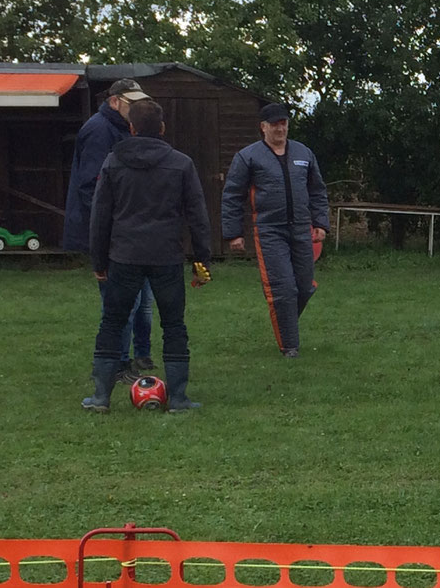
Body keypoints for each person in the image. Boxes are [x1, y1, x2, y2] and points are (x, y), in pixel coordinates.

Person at [81, 99, 211, 413]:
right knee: (174, 326)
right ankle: (178, 398)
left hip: (123, 256)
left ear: (131, 127)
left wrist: (99, 262)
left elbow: (101, 217)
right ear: (162, 129)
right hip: (166, 255)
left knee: (112, 324)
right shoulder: (181, 164)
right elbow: (197, 215)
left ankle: (100, 397)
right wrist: (201, 260)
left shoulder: (113, 162)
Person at [220, 103, 330, 358]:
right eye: (275, 124)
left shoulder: (304, 153)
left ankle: (285, 322)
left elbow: (317, 191)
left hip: (302, 229)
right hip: (269, 230)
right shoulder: (248, 156)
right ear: (263, 127)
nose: (280, 128)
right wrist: (233, 233)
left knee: (304, 287)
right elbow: (232, 195)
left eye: (284, 123)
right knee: (283, 290)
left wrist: (321, 223)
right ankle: (289, 347)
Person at [63, 78, 155, 383]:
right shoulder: (99, 130)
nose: (137, 108)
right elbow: (92, 186)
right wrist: (110, 229)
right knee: (118, 303)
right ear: (115, 101)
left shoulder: (118, 128)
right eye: (132, 103)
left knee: (140, 301)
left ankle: (134, 355)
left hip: (127, 232)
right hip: (111, 233)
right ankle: (114, 364)